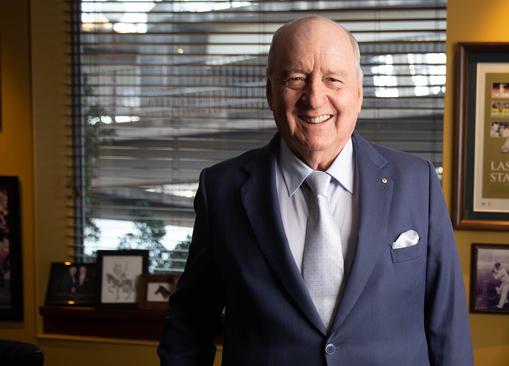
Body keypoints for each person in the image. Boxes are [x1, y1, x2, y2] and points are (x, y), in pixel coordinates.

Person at [158, 16, 472, 366]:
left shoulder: (418, 181)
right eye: (295, 79)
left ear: (358, 92)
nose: (314, 98)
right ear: (270, 91)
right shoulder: (222, 190)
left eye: (333, 80)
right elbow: (190, 326)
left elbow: (448, 328)